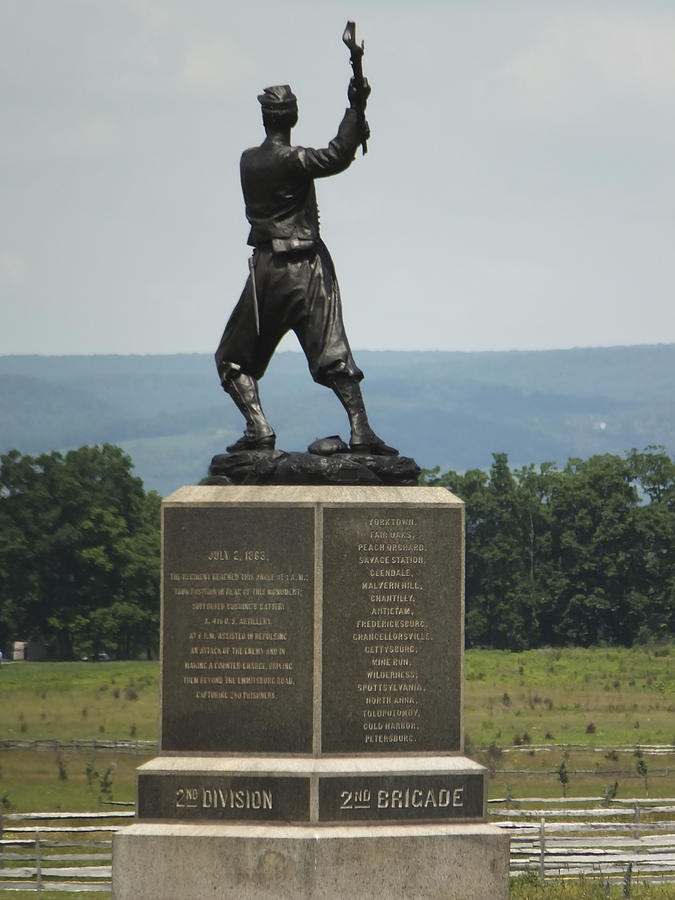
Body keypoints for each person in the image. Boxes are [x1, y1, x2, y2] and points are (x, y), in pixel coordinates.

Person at [215, 77, 397, 456]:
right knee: (332, 351)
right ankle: (360, 428)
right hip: (308, 270)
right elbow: (335, 156)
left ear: (265, 119)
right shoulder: (293, 160)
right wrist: (354, 111)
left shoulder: (249, 160)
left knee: (232, 358)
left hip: (266, 271)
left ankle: (258, 426)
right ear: (293, 117)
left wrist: (353, 118)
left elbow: (331, 154)